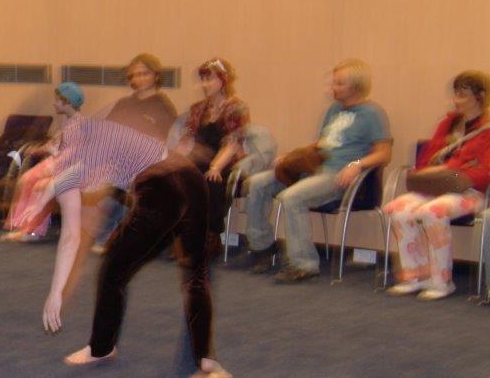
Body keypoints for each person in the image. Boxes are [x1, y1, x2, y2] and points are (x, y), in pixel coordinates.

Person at [9, 114, 231, 378]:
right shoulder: (80, 147)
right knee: (196, 273)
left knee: (113, 269)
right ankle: (208, 362)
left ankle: (101, 348)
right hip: (190, 177)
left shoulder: (77, 142)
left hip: (163, 186)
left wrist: (47, 192)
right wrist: (46, 192)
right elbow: (70, 234)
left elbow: (69, 231)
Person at [241, 58, 393, 283]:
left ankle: (304, 264)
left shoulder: (373, 113)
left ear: (355, 86)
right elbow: (323, 144)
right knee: (257, 183)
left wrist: (356, 164)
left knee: (292, 197)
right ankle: (262, 247)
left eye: (339, 83)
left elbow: (384, 153)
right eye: (334, 82)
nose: (333, 88)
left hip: (339, 176)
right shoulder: (333, 110)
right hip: (315, 169)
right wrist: (292, 158)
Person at [384, 70, 490, 300]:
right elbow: (427, 160)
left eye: (463, 95)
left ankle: (442, 281)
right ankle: (416, 276)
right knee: (398, 209)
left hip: (470, 191)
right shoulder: (448, 123)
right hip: (437, 187)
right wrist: (432, 172)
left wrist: (453, 171)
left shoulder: (487, 128)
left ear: (480, 96)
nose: (456, 100)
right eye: (456, 94)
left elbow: (485, 172)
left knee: (432, 211)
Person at [91, 53, 179, 250]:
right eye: (135, 75)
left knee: (119, 181)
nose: (139, 78)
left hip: (146, 160)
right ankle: (106, 233)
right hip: (117, 157)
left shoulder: (162, 106)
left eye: (144, 73)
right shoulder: (124, 103)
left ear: (156, 76)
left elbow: (162, 141)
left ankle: (111, 235)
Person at [175, 57, 250, 254]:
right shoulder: (198, 108)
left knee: (211, 180)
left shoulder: (236, 107)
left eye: (210, 79)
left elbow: (233, 143)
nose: (205, 84)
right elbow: (187, 140)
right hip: (200, 158)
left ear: (224, 80)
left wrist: (216, 166)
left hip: (225, 161)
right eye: (203, 79)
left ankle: (211, 235)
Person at [2, 81, 85, 242]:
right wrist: (38, 150)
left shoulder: (80, 125)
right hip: (57, 162)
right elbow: (54, 143)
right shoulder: (67, 120)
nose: (55, 103)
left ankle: (33, 230)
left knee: (40, 187)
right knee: (26, 179)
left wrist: (53, 152)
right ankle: (22, 225)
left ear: (68, 102)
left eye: (58, 100)